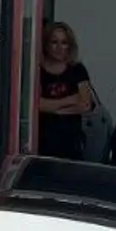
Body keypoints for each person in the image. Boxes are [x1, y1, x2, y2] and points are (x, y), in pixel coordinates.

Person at [35, 22, 99, 159]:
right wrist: (70, 100)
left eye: (64, 43)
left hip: (71, 142)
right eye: (54, 42)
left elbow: (85, 104)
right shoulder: (38, 70)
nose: (59, 48)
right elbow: (38, 105)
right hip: (43, 141)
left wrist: (55, 109)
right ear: (46, 44)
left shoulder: (77, 70)